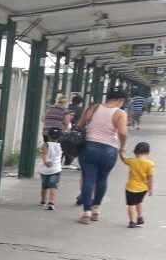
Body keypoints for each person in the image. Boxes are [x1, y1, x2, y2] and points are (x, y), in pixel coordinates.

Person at [75, 88, 128, 224]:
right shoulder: (120, 113)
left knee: (88, 180)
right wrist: (122, 147)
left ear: (108, 98)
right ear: (121, 101)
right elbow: (122, 132)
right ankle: (96, 210)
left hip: (89, 148)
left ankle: (86, 212)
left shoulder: (94, 107)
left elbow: (80, 124)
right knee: (102, 180)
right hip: (109, 151)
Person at [119, 142, 154, 229]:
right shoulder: (150, 164)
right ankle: (140, 217)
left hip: (131, 188)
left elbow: (124, 159)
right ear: (148, 152)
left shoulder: (132, 161)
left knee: (131, 205)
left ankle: (132, 221)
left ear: (135, 152)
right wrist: (150, 188)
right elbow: (150, 178)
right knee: (139, 202)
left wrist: (121, 152)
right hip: (143, 188)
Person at [38, 127, 63, 210]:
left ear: (48, 136)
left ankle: (42, 201)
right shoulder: (61, 145)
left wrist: (46, 161)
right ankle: (51, 202)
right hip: (56, 169)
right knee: (53, 185)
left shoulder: (46, 144)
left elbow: (44, 155)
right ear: (60, 137)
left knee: (44, 186)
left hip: (45, 169)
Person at [65, 94, 84, 171]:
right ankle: (68, 162)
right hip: (75, 129)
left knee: (64, 143)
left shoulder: (68, 108)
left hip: (66, 127)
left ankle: (60, 161)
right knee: (73, 145)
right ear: (79, 102)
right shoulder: (81, 109)